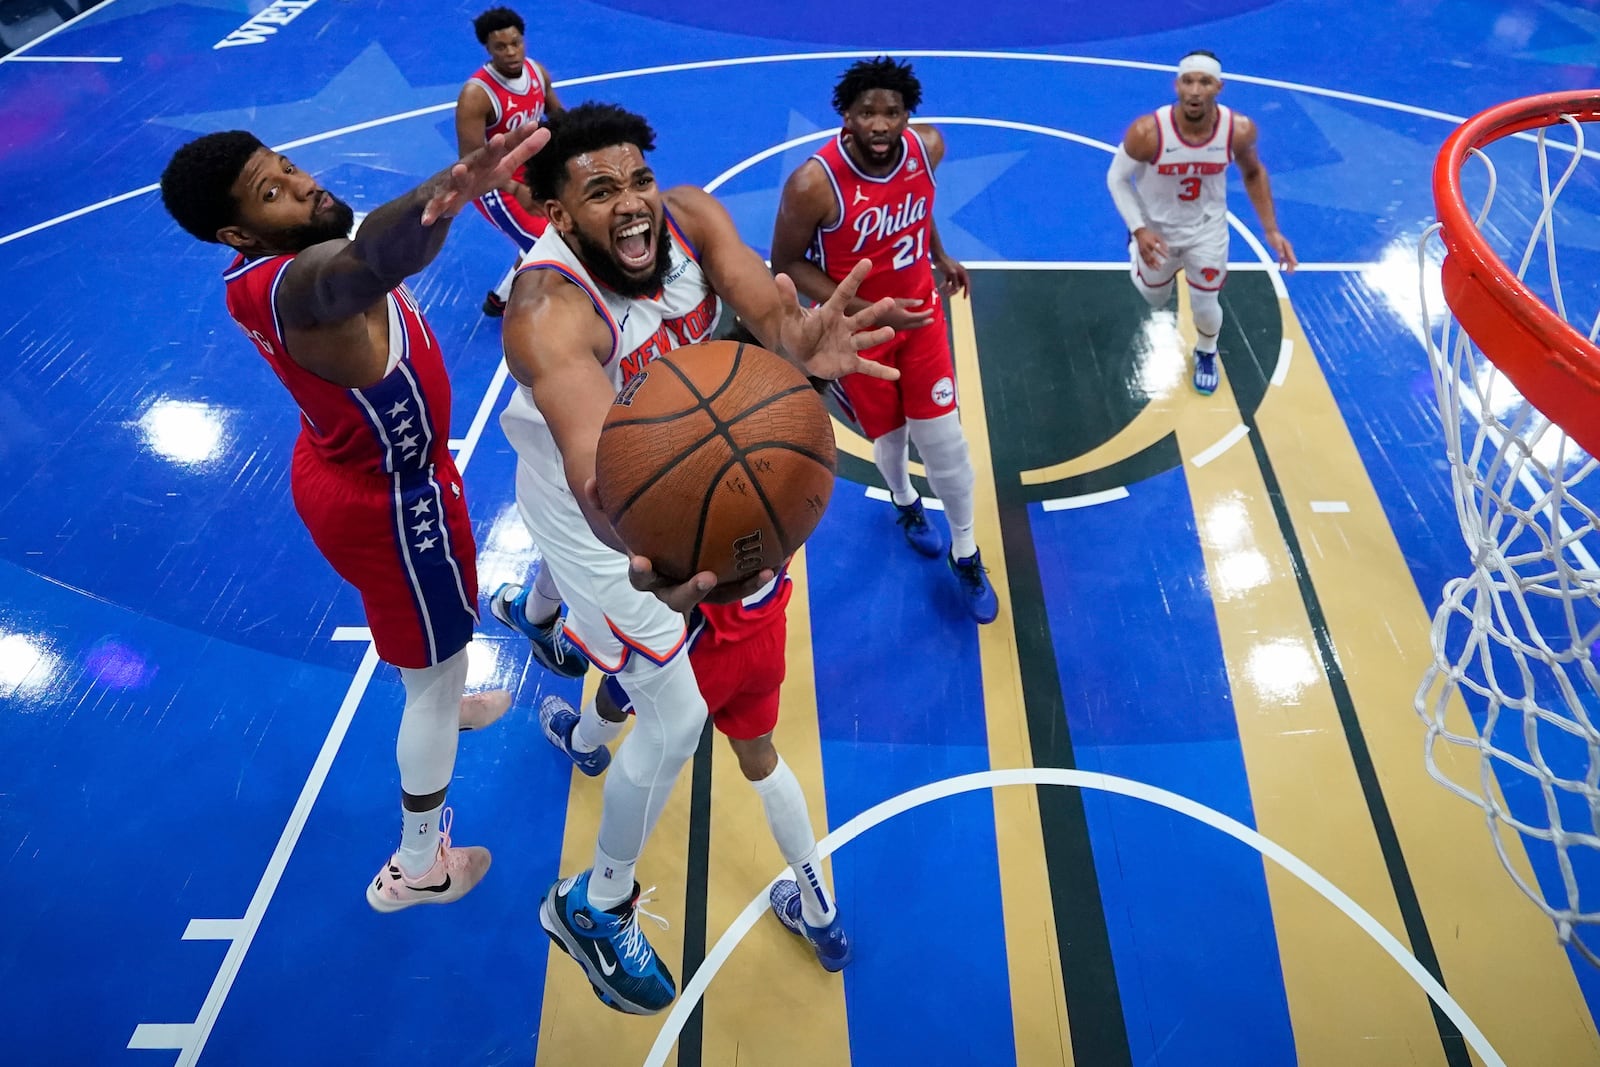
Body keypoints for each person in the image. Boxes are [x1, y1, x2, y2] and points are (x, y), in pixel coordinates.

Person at [497, 102, 897, 1014]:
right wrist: (650, 550)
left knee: (632, 661)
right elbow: (605, 486)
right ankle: (595, 904)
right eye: (600, 192)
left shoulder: (691, 218)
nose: (632, 204)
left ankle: (547, 620)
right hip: (595, 513)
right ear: (557, 216)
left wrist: (806, 346)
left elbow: (771, 314)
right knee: (675, 716)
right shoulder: (547, 311)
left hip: (677, 479)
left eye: (637, 179)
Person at [158, 122, 548, 912]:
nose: (301, 184)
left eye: (287, 168)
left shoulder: (256, 271)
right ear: (238, 231)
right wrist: (444, 197)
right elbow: (369, 262)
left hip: (352, 471)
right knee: (434, 680)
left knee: (429, 638)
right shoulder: (307, 287)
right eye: (272, 192)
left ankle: (439, 680)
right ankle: (419, 865)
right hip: (396, 504)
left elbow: (363, 251)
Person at [770, 56, 998, 624]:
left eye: (891, 112)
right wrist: (870, 309)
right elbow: (786, 261)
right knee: (890, 436)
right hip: (859, 332)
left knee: (945, 440)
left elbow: (917, 208)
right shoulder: (812, 183)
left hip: (920, 320)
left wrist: (940, 254)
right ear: (844, 115)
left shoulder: (929, 149)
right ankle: (904, 502)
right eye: (865, 112)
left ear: (907, 116)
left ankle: (966, 551)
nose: (878, 124)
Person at [538, 563, 852, 972]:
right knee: (762, 760)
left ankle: (582, 743)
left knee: (617, 687)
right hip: (766, 635)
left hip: (703, 647)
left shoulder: (705, 502)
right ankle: (823, 920)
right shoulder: (799, 497)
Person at [1105, 48, 1297, 395]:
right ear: (1177, 85)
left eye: (1204, 82)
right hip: (1157, 232)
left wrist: (1271, 229)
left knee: (1206, 302)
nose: (1195, 90)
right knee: (1154, 298)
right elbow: (1117, 178)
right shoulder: (1148, 132)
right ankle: (1135, 251)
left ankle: (1206, 351)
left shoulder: (1237, 130)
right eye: (1189, 81)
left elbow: (1253, 172)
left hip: (1206, 230)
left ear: (1218, 88)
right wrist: (1139, 228)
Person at [454, 6, 564, 317]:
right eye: (500, 47)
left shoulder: (536, 73)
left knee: (560, 228)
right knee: (554, 247)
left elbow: (559, 119)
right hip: (493, 185)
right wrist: (514, 189)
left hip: (530, 171)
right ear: (487, 49)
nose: (511, 52)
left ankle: (500, 299)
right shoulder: (476, 95)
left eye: (516, 42)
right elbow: (471, 165)